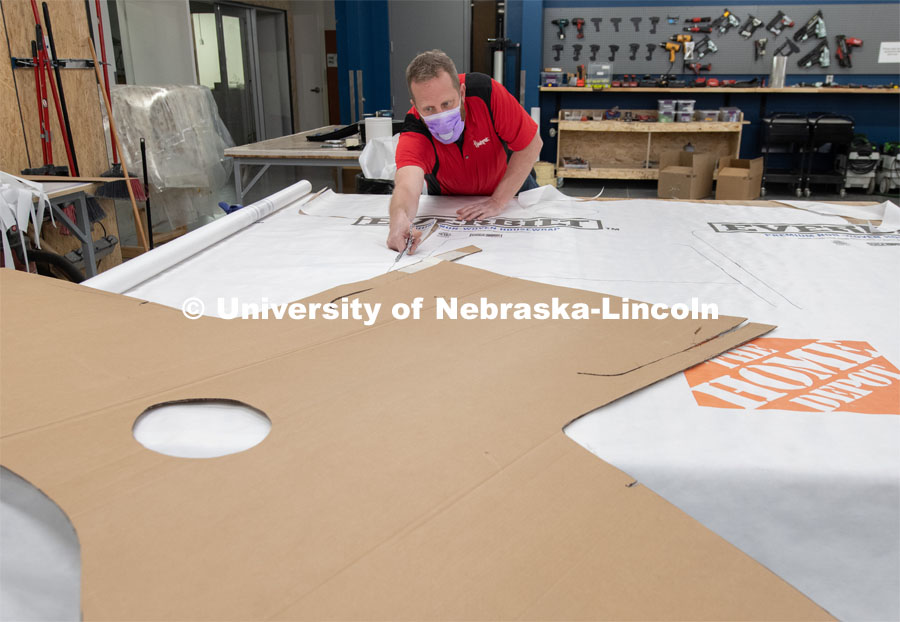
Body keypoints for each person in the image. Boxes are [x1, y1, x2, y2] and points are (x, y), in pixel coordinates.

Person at [386, 49, 542, 253]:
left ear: (461, 92)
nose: (440, 115)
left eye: (447, 103)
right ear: (415, 106)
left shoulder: (487, 94)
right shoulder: (415, 129)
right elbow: (407, 186)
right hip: (453, 205)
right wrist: (398, 219)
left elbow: (532, 144)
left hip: (511, 190)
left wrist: (497, 201)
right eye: (429, 109)